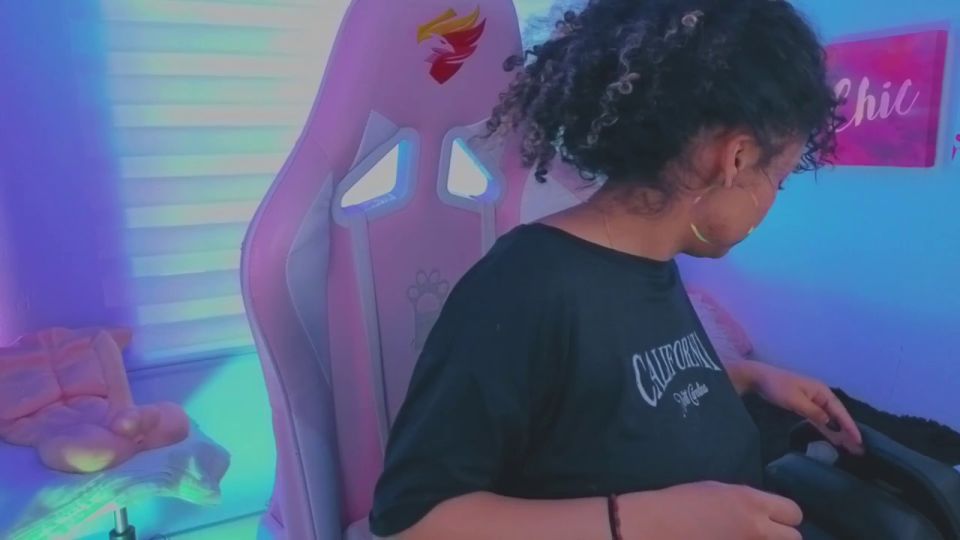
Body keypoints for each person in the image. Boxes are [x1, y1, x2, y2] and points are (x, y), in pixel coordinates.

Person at [371, 0, 863, 538]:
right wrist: (650, 519)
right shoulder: (526, 287)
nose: (771, 200)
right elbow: (411, 521)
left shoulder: (652, 262)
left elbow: (620, 394)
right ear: (736, 158)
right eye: (779, 178)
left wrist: (750, 377)